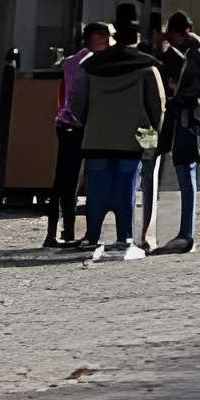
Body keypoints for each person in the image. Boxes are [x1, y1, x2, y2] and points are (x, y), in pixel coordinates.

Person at [73, 14, 163, 263]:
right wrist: (154, 132)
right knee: (126, 185)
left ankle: (92, 234)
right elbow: (157, 105)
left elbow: (77, 101)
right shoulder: (146, 66)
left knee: (98, 187)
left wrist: (87, 124)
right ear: (137, 38)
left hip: (97, 138)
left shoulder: (90, 66)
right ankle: (124, 235)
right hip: (131, 139)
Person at [156, 10, 200, 254]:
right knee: (185, 170)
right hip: (190, 114)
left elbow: (191, 86)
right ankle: (183, 230)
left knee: (186, 170)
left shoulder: (194, 51)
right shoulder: (193, 48)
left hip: (190, 116)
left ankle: (186, 232)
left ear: (180, 33)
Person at [45, 22, 102, 249]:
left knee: (65, 181)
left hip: (65, 124)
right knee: (67, 181)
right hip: (75, 125)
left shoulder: (70, 61)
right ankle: (62, 232)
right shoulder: (86, 62)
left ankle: (63, 231)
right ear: (92, 38)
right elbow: (80, 97)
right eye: (103, 38)